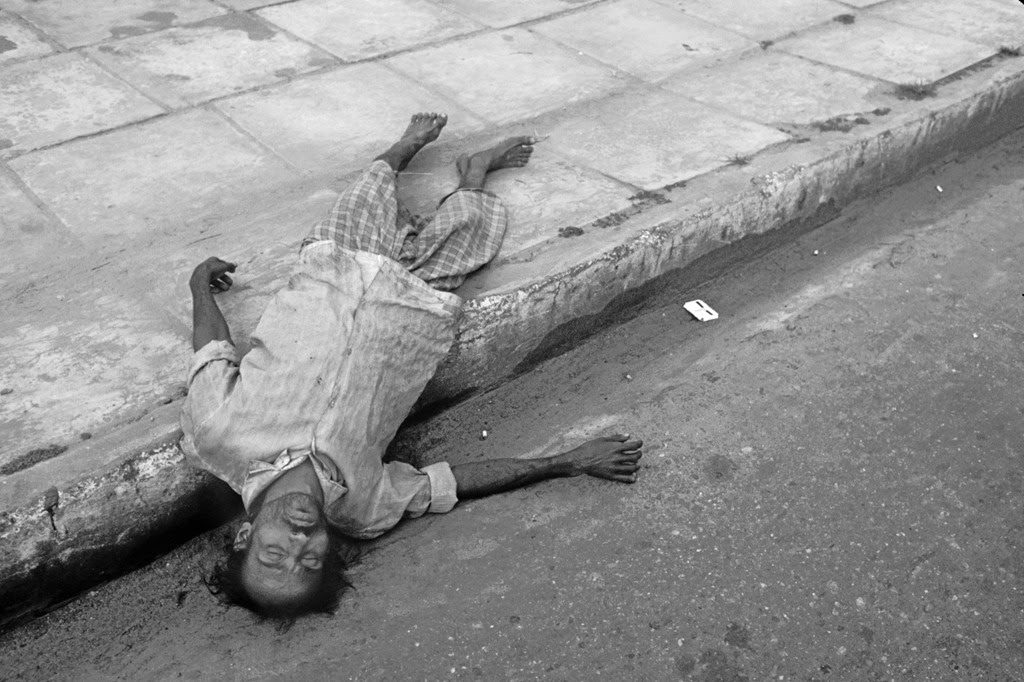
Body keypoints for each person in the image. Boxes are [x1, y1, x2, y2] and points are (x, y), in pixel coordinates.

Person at [180, 113, 644, 623]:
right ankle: (473, 173)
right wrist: (567, 461)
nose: (297, 539)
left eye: (273, 553)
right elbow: (453, 482)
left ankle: (405, 147)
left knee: (369, 191)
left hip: (331, 268)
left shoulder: (217, 438)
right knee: (477, 231)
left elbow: (212, 354)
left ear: (246, 536)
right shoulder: (366, 507)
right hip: (413, 304)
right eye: (310, 559)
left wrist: (199, 286)